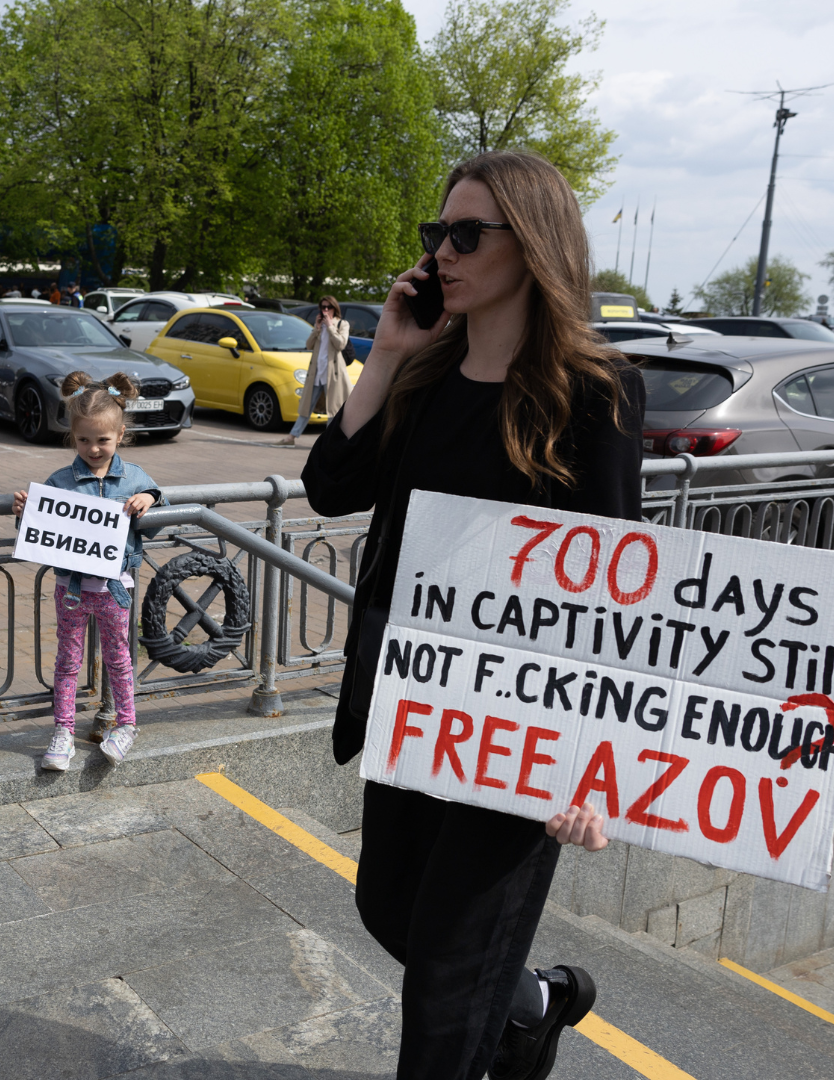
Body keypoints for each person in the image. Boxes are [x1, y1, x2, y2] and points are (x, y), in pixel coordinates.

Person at [301, 151, 643, 1080]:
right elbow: (330, 488)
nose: (442, 254)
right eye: (437, 233)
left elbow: (615, 580)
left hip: (524, 722)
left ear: (531, 245)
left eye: (465, 234)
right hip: (417, 703)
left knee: (447, 987)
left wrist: (591, 761)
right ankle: (534, 1005)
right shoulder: (426, 374)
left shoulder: (594, 388)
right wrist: (387, 354)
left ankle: (500, 1018)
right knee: (388, 907)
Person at [11, 372, 163, 770]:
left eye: (103, 440)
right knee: (67, 661)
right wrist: (25, 513)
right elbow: (38, 531)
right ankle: (63, 731)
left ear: (121, 435)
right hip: (71, 589)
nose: (93, 449)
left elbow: (158, 504)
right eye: (83, 440)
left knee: (119, 659)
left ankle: (126, 725)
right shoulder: (60, 482)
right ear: (72, 436)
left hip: (116, 589)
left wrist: (148, 499)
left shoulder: (134, 478)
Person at [277, 295, 351, 445]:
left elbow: (341, 344)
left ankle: (329, 442)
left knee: (333, 408)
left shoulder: (342, 324)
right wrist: (317, 329)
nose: (325, 310)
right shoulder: (319, 326)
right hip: (317, 372)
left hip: (333, 373)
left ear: (334, 308)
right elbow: (309, 345)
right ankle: (291, 437)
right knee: (307, 406)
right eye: (323, 307)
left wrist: (330, 327)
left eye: (328, 307)